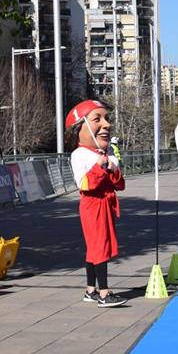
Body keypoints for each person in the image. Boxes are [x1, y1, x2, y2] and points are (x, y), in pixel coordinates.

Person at [67, 100, 127, 308]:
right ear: (80, 128)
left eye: (106, 119)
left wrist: (112, 169)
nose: (106, 125)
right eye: (97, 119)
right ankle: (104, 293)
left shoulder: (106, 153)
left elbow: (120, 184)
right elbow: (84, 184)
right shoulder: (79, 155)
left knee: (96, 247)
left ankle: (90, 290)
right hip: (93, 205)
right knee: (99, 247)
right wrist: (99, 168)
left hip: (106, 204)